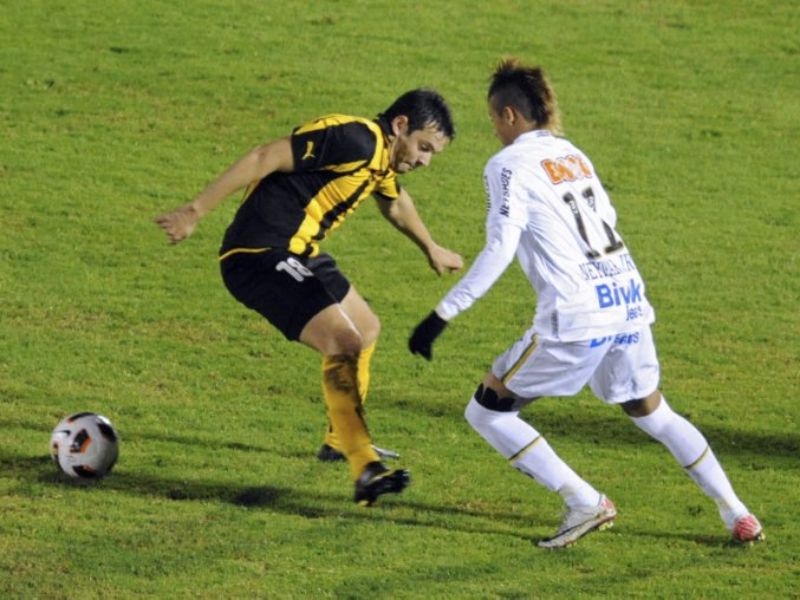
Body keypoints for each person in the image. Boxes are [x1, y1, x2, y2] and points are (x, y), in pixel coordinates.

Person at [409, 59, 764, 547]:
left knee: (487, 412)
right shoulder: (573, 154)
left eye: (494, 120)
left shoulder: (507, 165)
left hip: (575, 317)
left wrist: (442, 314)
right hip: (627, 301)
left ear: (510, 115)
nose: (493, 131)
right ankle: (737, 512)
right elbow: (608, 218)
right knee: (654, 413)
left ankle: (584, 502)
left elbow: (499, 247)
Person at [156, 89, 464, 506]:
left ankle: (340, 441)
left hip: (301, 252)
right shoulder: (354, 139)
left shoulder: (380, 159)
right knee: (344, 341)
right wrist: (194, 212)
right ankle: (365, 467)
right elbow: (264, 157)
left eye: (433, 154)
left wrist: (431, 247)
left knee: (367, 327)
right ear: (400, 126)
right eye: (424, 148)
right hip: (258, 254)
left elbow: (395, 203)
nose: (425, 160)